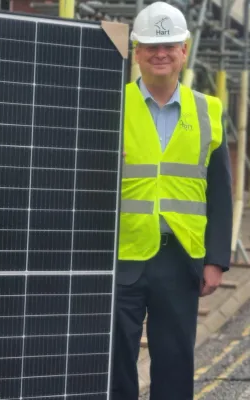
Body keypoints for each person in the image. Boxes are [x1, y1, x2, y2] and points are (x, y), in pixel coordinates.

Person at [112, 2, 232, 399]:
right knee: (114, 361)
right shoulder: (112, 105)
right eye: (149, 46)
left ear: (184, 48)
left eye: (168, 45)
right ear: (136, 51)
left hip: (181, 259)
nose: (159, 54)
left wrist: (215, 260)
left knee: (175, 362)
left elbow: (220, 191)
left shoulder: (208, 110)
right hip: (121, 257)